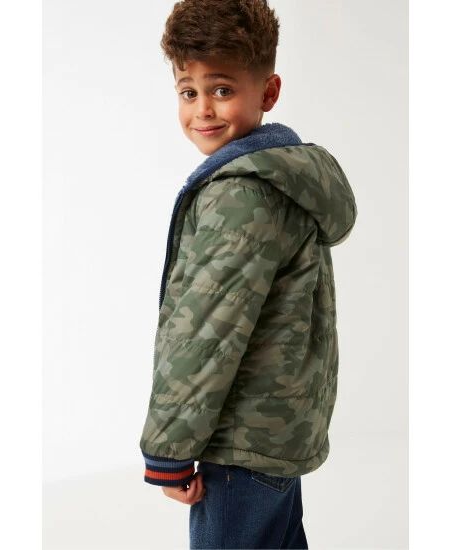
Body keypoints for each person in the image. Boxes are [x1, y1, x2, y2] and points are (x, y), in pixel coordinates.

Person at [139, 1, 357, 548]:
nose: (203, 110)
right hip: (273, 436)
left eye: (222, 89)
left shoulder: (241, 194)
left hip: (236, 444)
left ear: (268, 92)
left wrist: (168, 450)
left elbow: (205, 329)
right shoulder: (283, 178)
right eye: (188, 92)